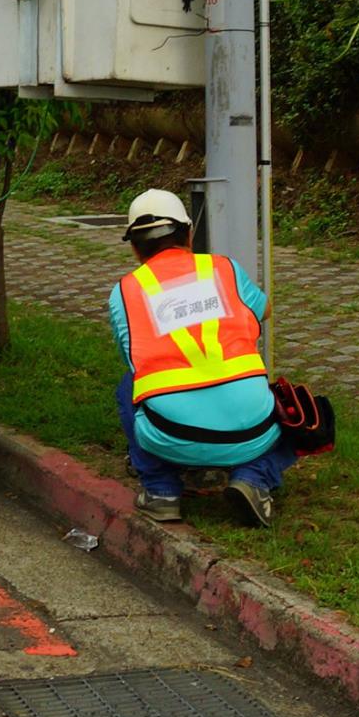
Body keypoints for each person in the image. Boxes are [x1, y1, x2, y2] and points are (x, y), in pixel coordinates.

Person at [107, 189, 294, 527]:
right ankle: (254, 478)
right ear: (190, 234)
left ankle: (161, 491)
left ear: (134, 247)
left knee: (129, 386)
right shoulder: (224, 269)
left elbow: (135, 363)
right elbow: (265, 309)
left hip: (171, 435)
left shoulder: (125, 291)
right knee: (297, 411)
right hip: (255, 429)